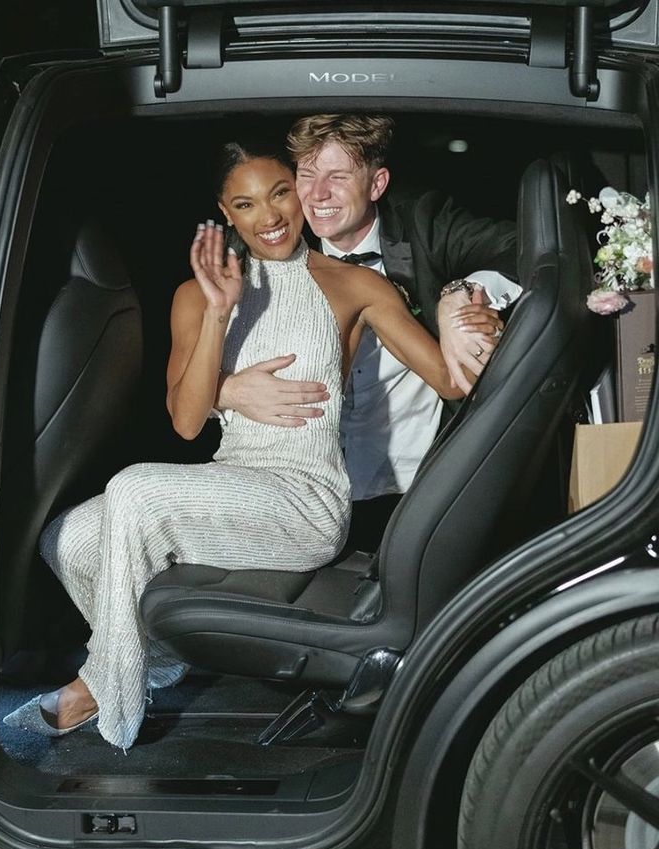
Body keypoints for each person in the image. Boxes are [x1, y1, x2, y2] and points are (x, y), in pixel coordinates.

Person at [3, 141, 480, 751]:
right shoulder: (195, 296)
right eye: (246, 204)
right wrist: (220, 316)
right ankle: (146, 660)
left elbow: (447, 378)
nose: (270, 215)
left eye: (281, 193)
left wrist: (457, 305)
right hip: (236, 482)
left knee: (133, 491)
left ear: (301, 194)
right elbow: (185, 420)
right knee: (64, 537)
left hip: (307, 500)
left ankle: (106, 692)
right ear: (226, 215)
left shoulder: (355, 285)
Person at [217, 115, 521, 549]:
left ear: (376, 184)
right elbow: (195, 365)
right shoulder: (261, 249)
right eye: (306, 175)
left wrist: (463, 292)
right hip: (303, 492)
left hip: (419, 488)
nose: (317, 194)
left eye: (337, 177)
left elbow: (529, 247)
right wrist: (224, 391)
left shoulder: (423, 222)